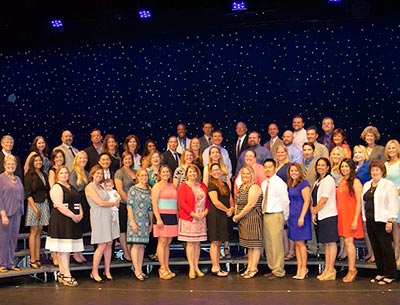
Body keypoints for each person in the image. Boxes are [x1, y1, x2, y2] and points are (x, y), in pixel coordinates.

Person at [46, 166, 84, 287]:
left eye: (66, 173)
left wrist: (80, 214)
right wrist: (73, 216)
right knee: (64, 249)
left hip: (72, 220)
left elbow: (77, 202)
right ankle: (67, 275)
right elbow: (59, 205)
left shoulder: (71, 186)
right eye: (61, 173)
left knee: (66, 249)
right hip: (62, 220)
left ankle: (63, 274)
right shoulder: (56, 188)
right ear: (57, 175)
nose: (64, 175)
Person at [362, 160, 398, 284]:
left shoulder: (388, 184)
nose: (374, 172)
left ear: (382, 171)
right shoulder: (367, 184)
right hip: (370, 219)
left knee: (386, 247)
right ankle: (381, 272)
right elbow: (363, 203)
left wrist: (390, 220)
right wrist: (364, 220)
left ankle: (391, 274)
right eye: (372, 170)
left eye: (377, 170)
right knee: (376, 247)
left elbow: (393, 202)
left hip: (383, 220)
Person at [85, 165, 120, 283]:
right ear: (92, 174)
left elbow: (110, 199)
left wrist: (116, 202)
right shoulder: (89, 187)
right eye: (97, 173)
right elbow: (100, 203)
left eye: (101, 174)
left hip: (108, 216)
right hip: (98, 216)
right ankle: (94, 271)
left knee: (109, 243)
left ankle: (107, 270)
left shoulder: (101, 186)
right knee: (102, 245)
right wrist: (113, 204)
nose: (99, 175)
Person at [177, 164, 210, 279]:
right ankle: (191, 267)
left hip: (201, 217)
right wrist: (193, 214)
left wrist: (205, 212)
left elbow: (207, 201)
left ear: (198, 174)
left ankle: (196, 266)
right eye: (190, 172)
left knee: (197, 243)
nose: (192, 174)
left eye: (194, 172)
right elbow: (182, 203)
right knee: (190, 243)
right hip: (189, 218)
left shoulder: (203, 186)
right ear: (186, 174)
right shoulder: (183, 186)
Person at [261, 159, 290, 280]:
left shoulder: (279, 182)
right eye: (265, 167)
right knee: (269, 244)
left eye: (270, 167)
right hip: (266, 214)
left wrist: (285, 217)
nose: (267, 169)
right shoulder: (264, 183)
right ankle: (273, 267)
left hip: (276, 214)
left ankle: (279, 270)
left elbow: (285, 201)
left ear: (274, 168)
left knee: (276, 243)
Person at [233, 166, 263, 279]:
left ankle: (254, 268)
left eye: (248, 174)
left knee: (254, 245)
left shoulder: (254, 187)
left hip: (253, 218)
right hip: (243, 220)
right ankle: (249, 267)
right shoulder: (242, 186)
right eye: (243, 174)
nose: (245, 176)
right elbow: (237, 201)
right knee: (249, 246)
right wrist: (237, 214)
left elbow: (250, 205)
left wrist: (238, 216)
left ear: (252, 175)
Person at [310, 158, 338, 281]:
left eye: (323, 165)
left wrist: (315, 210)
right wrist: (314, 211)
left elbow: (324, 199)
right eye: (318, 165)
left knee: (331, 243)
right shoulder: (318, 181)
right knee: (326, 244)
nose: (320, 167)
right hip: (321, 215)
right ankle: (327, 269)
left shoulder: (328, 180)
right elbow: (314, 198)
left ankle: (331, 269)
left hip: (329, 215)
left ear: (328, 167)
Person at [336, 159, 363, 282]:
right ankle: (351, 268)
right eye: (342, 167)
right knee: (346, 242)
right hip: (342, 216)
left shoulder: (356, 182)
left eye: (346, 166)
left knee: (348, 242)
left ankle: (352, 269)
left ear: (351, 168)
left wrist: (355, 220)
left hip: (351, 215)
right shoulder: (341, 181)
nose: (344, 169)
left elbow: (359, 202)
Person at [207, 163, 234, 277]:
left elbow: (230, 198)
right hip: (216, 215)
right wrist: (227, 210)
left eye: (218, 169)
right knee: (215, 241)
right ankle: (215, 267)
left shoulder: (225, 184)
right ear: (210, 172)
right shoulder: (212, 185)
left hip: (224, 215)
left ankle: (217, 266)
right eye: (213, 170)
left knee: (219, 242)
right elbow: (215, 202)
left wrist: (232, 208)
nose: (216, 172)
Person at [151, 165, 178, 280]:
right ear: (159, 174)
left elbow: (176, 202)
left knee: (167, 243)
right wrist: (158, 218)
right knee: (162, 242)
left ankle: (167, 267)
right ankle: (162, 268)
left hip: (172, 216)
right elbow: (154, 204)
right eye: (163, 172)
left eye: (168, 172)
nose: (166, 174)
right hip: (161, 216)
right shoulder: (157, 186)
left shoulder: (172, 185)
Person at [24, 154, 50, 269]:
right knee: (34, 232)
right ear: (32, 162)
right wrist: (35, 209)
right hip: (33, 204)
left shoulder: (44, 174)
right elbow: (28, 193)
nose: (38, 162)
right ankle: (32, 260)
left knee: (39, 232)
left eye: (40, 160)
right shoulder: (29, 175)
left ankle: (38, 259)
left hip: (43, 203)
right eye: (36, 161)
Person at [127, 168, 153, 281]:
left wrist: (151, 223)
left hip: (145, 221)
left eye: (146, 175)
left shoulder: (149, 190)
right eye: (141, 175)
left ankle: (140, 269)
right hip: (135, 220)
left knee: (142, 245)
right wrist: (132, 222)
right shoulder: (133, 189)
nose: (144, 177)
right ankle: (136, 269)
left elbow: (150, 208)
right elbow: (129, 206)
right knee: (136, 245)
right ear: (137, 177)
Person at [287, 163, 311, 280]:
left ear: (300, 171)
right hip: (292, 214)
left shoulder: (304, 183)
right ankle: (299, 267)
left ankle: (304, 268)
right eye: (292, 171)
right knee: (296, 243)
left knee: (301, 243)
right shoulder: (290, 184)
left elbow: (307, 201)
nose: (294, 172)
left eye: (296, 170)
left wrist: (301, 217)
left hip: (301, 215)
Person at [0, 155, 24, 273]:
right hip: (5, 213)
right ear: (4, 165)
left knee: (13, 239)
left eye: (13, 164)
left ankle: (10, 262)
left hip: (17, 212)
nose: (11, 166)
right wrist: (3, 214)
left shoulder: (18, 179)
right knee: (3, 239)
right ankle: (2, 263)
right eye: (8, 164)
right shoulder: (1, 178)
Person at [114, 151, 137, 262]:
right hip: (124, 205)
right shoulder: (119, 172)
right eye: (126, 159)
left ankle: (131, 251)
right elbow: (119, 189)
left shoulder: (135, 172)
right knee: (123, 230)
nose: (128, 161)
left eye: (130, 159)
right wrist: (129, 203)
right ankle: (126, 252)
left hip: (135, 206)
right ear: (122, 160)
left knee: (130, 230)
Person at [353, 145, 374, 262]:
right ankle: (370, 252)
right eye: (355, 152)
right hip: (355, 199)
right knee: (365, 228)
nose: (357, 154)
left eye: (360, 152)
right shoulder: (354, 166)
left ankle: (374, 253)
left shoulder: (368, 166)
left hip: (367, 198)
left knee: (369, 227)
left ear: (364, 153)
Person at [69, 151, 90, 264]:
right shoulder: (73, 173)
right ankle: (76, 253)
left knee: (81, 230)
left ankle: (80, 252)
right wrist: (78, 207)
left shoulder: (86, 173)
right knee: (77, 230)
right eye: (80, 158)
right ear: (76, 159)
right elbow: (72, 191)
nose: (83, 160)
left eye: (85, 158)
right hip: (77, 202)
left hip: (86, 202)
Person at [384, 140, 400, 267]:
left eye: (394, 148)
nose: (391, 150)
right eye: (389, 148)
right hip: (389, 200)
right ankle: (395, 253)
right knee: (394, 227)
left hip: (399, 197)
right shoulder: (385, 165)